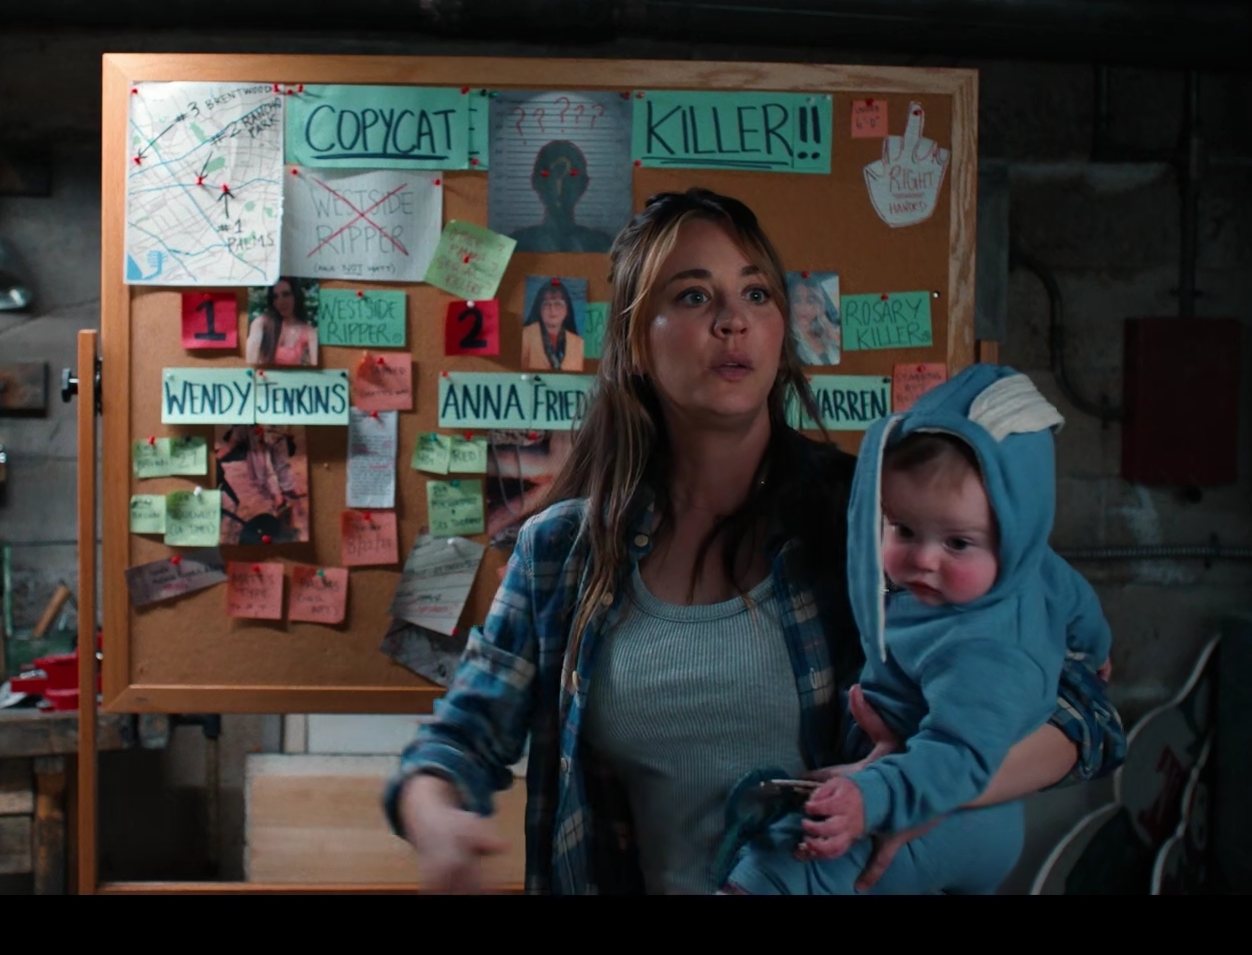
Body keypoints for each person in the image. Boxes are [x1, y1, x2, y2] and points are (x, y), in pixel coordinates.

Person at [383, 188, 1126, 895]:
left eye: (757, 294)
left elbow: (1085, 714)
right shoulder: (561, 553)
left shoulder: (879, 523)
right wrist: (435, 819)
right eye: (694, 296)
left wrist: (917, 789)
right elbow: (460, 739)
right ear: (637, 342)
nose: (733, 321)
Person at [724, 366, 1114, 895]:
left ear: (1014, 537)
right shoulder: (1029, 567)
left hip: (946, 811)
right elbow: (1075, 600)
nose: (924, 560)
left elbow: (957, 756)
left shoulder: (986, 652)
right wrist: (1094, 648)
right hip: (921, 781)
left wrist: (874, 798)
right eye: (903, 529)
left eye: (958, 543)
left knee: (793, 863)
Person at [507, 141, 618, 253]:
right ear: (535, 182)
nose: (559, 185)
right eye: (547, 174)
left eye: (572, 174)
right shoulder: (514, 245)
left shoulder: (603, 245)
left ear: (583, 183)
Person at [246, 277, 318, 366]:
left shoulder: (309, 332)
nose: (280, 301)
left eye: (286, 294)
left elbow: (318, 367)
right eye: (275, 297)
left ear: (296, 296)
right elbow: (251, 363)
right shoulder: (261, 323)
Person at [520, 280, 585, 371]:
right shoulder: (525, 336)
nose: (552, 310)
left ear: (567, 309)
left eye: (558, 304)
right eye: (546, 304)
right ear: (539, 309)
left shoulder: (579, 344)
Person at [786, 273, 842, 366]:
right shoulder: (787, 340)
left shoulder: (825, 332)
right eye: (797, 300)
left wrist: (824, 319)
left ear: (819, 305)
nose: (803, 307)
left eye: (810, 301)